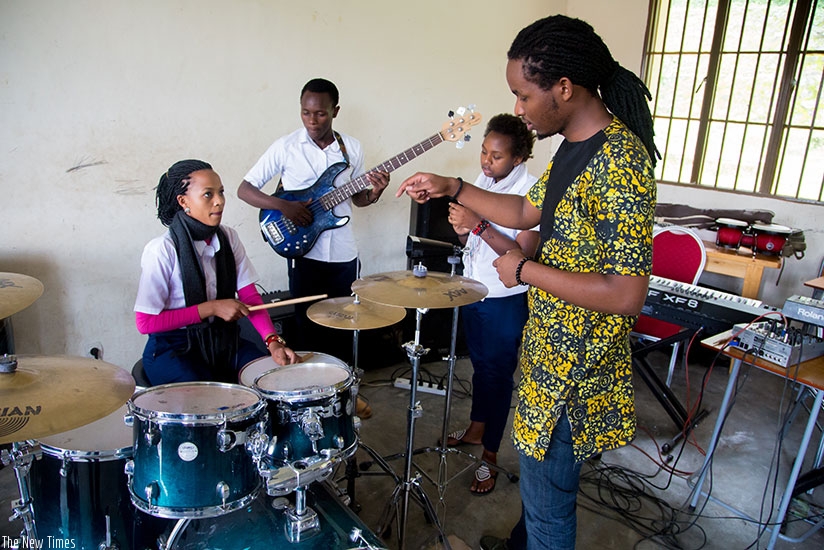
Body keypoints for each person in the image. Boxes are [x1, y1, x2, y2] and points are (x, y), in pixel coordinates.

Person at [397, 15, 658, 550]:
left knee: (548, 517)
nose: (517, 108)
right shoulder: (573, 146)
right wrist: (455, 186)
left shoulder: (621, 163)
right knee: (541, 504)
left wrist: (524, 271)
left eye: (522, 94)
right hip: (548, 353)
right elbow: (522, 209)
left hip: (574, 371)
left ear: (564, 88)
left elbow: (627, 294)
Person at [237, 78, 389, 366]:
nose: (312, 120)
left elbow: (358, 199)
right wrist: (284, 205)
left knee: (345, 321)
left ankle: (342, 389)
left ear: (336, 111)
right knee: (307, 325)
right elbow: (245, 189)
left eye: (320, 113)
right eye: (306, 112)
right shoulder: (286, 147)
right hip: (304, 251)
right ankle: (309, 391)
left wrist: (376, 192)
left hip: (344, 251)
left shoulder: (352, 149)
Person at [135, 159, 299, 386]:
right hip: (174, 347)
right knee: (208, 403)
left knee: (273, 380)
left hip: (224, 341)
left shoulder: (229, 237)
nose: (219, 201)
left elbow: (251, 298)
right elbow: (145, 323)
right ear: (183, 201)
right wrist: (211, 308)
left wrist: (272, 341)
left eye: (221, 192)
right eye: (208, 195)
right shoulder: (162, 249)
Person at [442, 113, 539, 495]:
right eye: (483, 152)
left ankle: (491, 455)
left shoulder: (532, 192)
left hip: (505, 300)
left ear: (517, 159)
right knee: (481, 368)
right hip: (474, 291)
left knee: (499, 376)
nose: (485, 161)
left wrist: (478, 224)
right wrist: (465, 230)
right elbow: (476, 244)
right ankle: (477, 427)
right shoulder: (483, 182)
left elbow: (521, 257)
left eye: (495, 156)